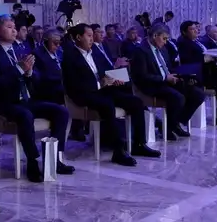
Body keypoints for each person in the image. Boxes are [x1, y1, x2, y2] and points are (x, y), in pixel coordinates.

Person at [0, 15, 73, 183]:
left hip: (25, 99)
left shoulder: (19, 49)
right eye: (9, 27)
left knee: (61, 111)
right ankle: (32, 161)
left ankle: (54, 159)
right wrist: (19, 69)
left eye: (14, 27)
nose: (14, 30)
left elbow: (36, 77)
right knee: (25, 115)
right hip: (3, 102)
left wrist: (29, 73)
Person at [63, 24, 160, 163]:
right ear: (78, 37)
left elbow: (104, 72)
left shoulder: (94, 52)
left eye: (92, 36)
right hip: (83, 94)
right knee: (107, 106)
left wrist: (114, 78)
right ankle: (118, 150)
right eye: (89, 36)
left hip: (103, 90)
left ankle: (139, 144)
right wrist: (100, 84)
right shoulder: (69, 56)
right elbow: (74, 84)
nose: (92, 39)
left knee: (136, 102)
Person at [130, 24, 205, 139]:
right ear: (155, 35)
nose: (165, 42)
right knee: (178, 97)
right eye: (164, 38)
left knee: (198, 94)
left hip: (167, 81)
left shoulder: (163, 49)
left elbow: (169, 68)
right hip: (151, 85)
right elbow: (142, 76)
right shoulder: (140, 51)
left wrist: (179, 76)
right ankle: (170, 127)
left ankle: (175, 123)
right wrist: (164, 78)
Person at [32, 29, 65, 105]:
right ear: (46, 41)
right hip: (48, 90)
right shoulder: (37, 53)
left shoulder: (60, 51)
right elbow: (39, 78)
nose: (58, 45)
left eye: (59, 42)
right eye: (55, 42)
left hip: (61, 86)